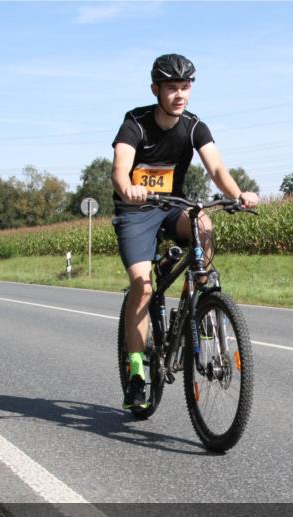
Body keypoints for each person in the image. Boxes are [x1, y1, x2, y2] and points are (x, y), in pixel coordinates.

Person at [111, 53, 259, 412]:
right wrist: (127, 187)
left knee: (203, 222)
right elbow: (120, 168)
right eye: (172, 88)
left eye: (185, 87)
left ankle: (196, 298)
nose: (180, 94)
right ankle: (136, 374)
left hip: (173, 205)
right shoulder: (136, 122)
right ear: (156, 89)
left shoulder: (194, 127)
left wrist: (237, 194)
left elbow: (217, 167)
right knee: (142, 287)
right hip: (136, 210)